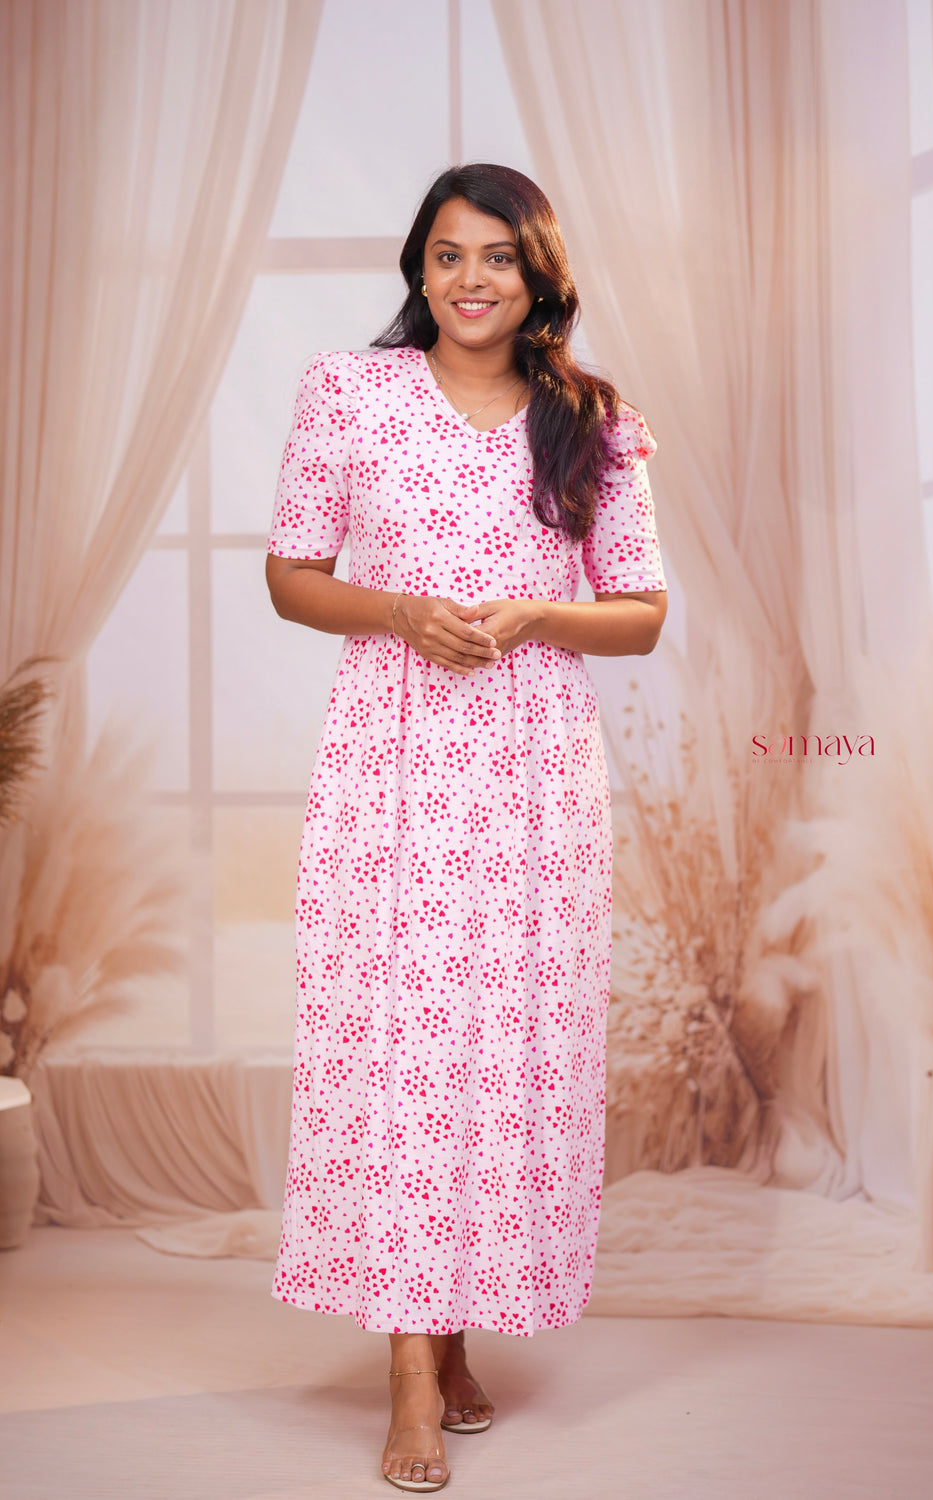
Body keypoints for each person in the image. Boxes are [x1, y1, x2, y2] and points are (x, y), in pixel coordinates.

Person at [264, 162, 667, 1493]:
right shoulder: (350, 394)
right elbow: (291, 574)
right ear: (420, 270)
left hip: (530, 777)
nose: (472, 279)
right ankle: (408, 1376)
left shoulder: (593, 423)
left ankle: (452, 1335)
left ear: (537, 277)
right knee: (403, 1052)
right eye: (448, 255)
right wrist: (400, 612)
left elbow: (642, 612)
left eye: (498, 256)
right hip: (390, 766)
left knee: (497, 1055)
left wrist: (536, 613)